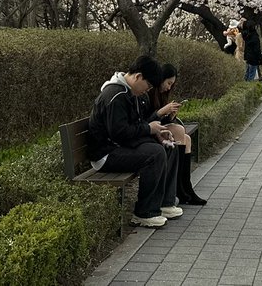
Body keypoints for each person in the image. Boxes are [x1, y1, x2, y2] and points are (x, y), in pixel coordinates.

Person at [86, 55, 181, 228]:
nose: (147, 90)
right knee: (155, 154)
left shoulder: (130, 93)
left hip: (120, 146)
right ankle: (144, 213)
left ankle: (164, 203)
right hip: (106, 154)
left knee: (168, 147)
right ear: (138, 77)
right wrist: (149, 130)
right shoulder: (115, 95)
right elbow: (119, 133)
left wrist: (157, 134)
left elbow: (136, 125)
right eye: (147, 85)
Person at [144, 63, 207, 206]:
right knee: (179, 131)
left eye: (172, 85)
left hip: (157, 131)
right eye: (168, 83)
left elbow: (161, 120)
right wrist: (161, 112)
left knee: (187, 139)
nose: (169, 87)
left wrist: (170, 116)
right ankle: (177, 190)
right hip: (148, 134)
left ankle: (185, 187)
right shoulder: (147, 93)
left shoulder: (161, 94)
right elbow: (145, 122)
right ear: (160, 79)